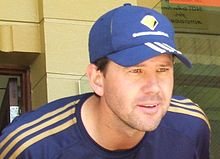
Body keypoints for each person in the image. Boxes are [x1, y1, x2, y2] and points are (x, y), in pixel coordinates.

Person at [0, 3, 210, 159]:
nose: (154, 87)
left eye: (163, 69)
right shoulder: (31, 146)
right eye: (136, 70)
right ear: (97, 79)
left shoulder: (190, 126)